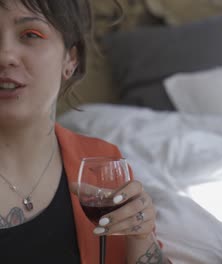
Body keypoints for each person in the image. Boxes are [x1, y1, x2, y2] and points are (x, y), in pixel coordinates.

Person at [0, 0, 171, 263]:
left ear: (71, 58)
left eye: (31, 35)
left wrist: (141, 238)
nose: (5, 55)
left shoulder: (100, 164)